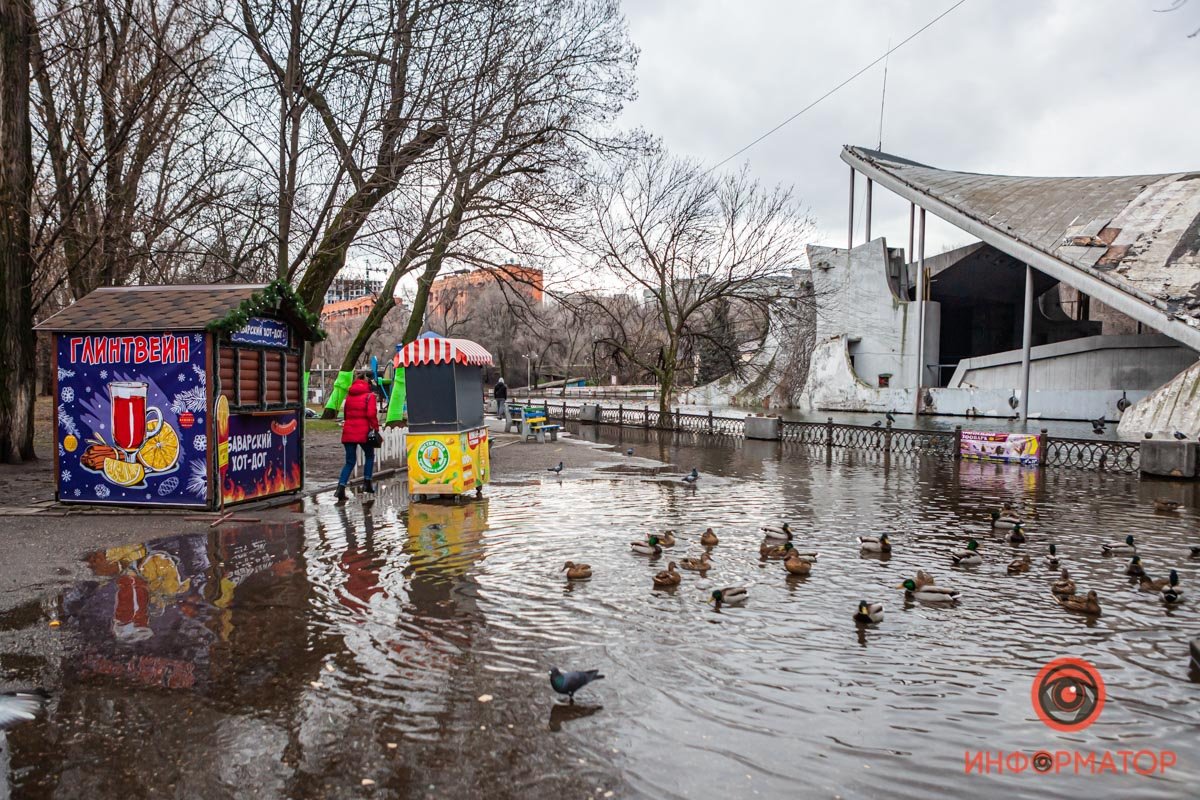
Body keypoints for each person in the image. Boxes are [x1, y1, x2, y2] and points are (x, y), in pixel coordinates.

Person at [336, 374, 381, 500]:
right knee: (370, 455)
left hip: (349, 431)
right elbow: (371, 414)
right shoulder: (369, 396)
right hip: (363, 432)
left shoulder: (349, 397)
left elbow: (345, 415)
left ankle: (340, 487)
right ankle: (367, 482)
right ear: (366, 383)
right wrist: (375, 428)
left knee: (350, 461)